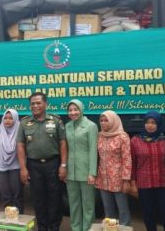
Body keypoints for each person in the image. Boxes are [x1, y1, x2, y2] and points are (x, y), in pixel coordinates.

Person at [17, 92, 67, 231]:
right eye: (32, 103)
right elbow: (20, 146)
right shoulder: (25, 122)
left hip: (53, 163)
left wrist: (63, 165)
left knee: (55, 197)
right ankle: (43, 227)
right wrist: (23, 168)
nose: (35, 106)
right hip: (34, 165)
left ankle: (54, 226)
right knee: (38, 198)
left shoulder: (56, 120)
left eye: (38, 103)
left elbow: (63, 143)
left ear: (45, 104)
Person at [130, 111, 165, 231]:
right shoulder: (135, 141)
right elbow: (132, 163)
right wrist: (133, 183)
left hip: (163, 182)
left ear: (158, 124)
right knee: (148, 214)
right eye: (147, 122)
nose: (150, 125)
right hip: (144, 184)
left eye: (153, 123)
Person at [64, 99, 98, 231]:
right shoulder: (67, 126)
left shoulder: (91, 126)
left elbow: (93, 150)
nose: (73, 112)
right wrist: (65, 168)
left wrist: (92, 172)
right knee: (74, 204)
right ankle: (76, 228)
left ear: (81, 110)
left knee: (88, 205)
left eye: (76, 109)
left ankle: (88, 228)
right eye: (70, 110)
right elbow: (65, 149)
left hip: (86, 171)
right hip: (71, 171)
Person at [95, 110, 132, 226]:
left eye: (106, 120)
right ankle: (111, 228)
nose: (103, 123)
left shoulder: (122, 136)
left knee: (122, 209)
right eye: (101, 120)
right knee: (108, 209)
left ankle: (124, 227)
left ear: (113, 121)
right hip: (103, 178)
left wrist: (126, 180)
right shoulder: (100, 136)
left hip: (118, 179)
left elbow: (127, 159)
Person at [0, 109, 24, 214]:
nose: (7, 121)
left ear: (15, 119)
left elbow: (24, 151)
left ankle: (19, 221)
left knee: (17, 195)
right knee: (5, 196)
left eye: (10, 118)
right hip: (1, 168)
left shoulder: (20, 131)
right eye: (5, 118)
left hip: (16, 167)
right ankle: (9, 220)